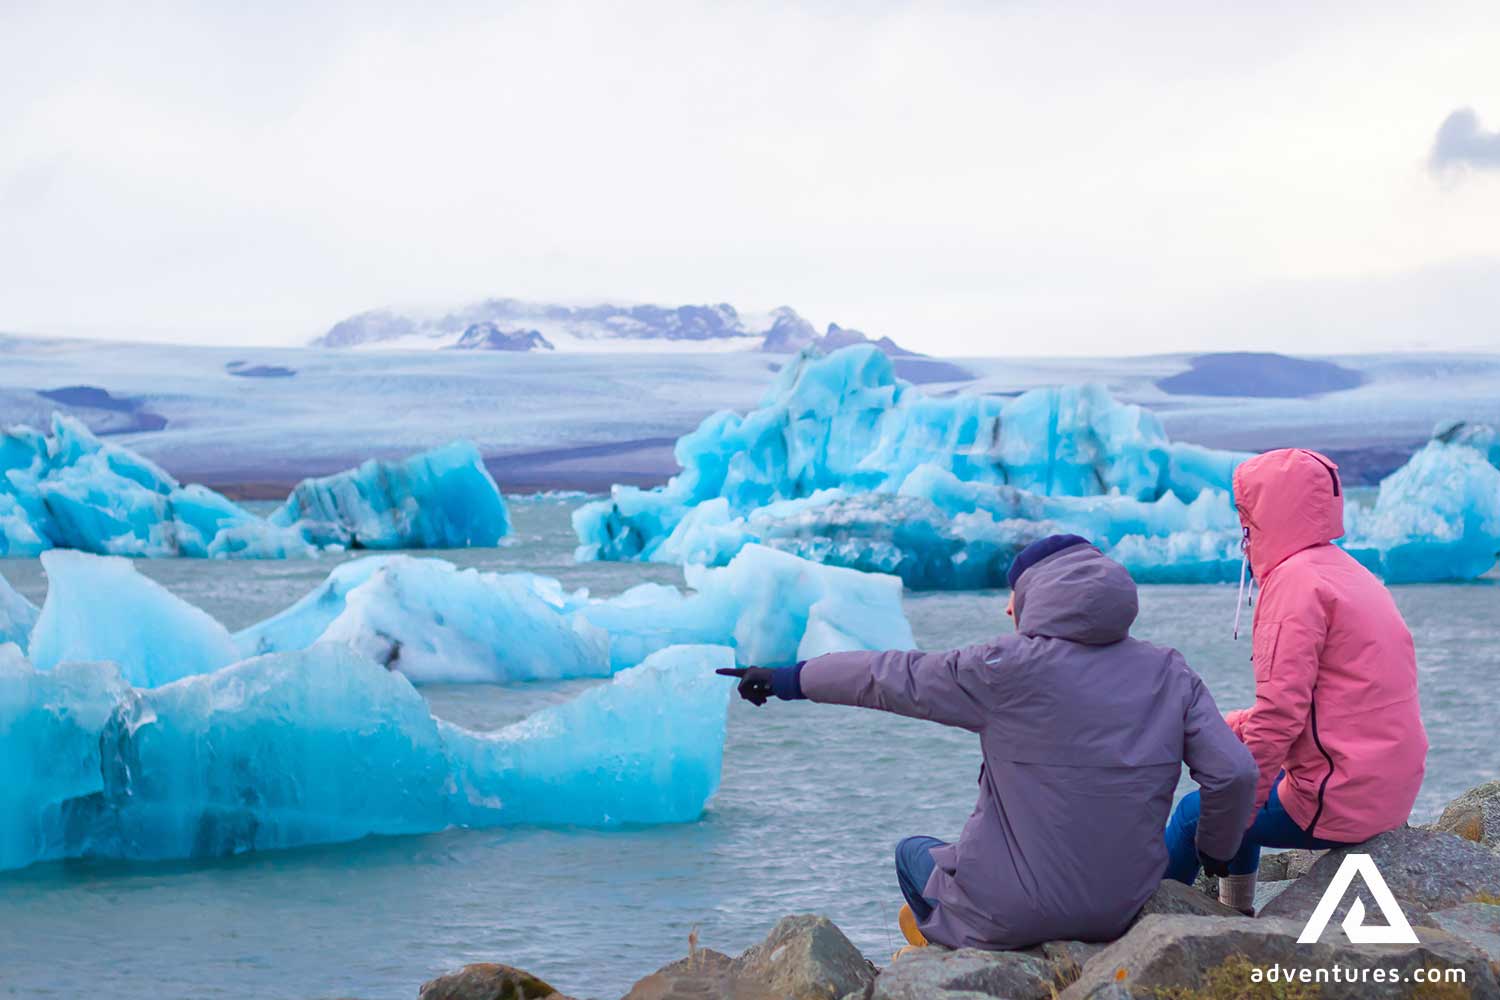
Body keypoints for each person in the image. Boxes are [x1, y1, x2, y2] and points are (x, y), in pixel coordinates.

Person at [719, 534, 1257, 952]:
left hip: (1011, 913)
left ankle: (946, 940)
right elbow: (1234, 775)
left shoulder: (1000, 667)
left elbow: (886, 677)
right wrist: (1213, 852)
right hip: (1122, 907)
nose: (1007, 609)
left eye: (1015, 595)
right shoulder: (1169, 670)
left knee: (913, 852)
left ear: (1038, 596)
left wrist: (787, 680)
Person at [1163, 448, 1428, 913]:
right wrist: (1233, 727)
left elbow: (1282, 714)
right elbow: (1334, 701)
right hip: (1386, 783)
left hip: (1342, 796)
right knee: (1239, 776)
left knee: (1198, 813)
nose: (1242, 530)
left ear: (1265, 513)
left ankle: (1152, 922)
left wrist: (1233, 812)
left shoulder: (1293, 585)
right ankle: (1236, 912)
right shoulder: (1348, 572)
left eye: (1245, 515)